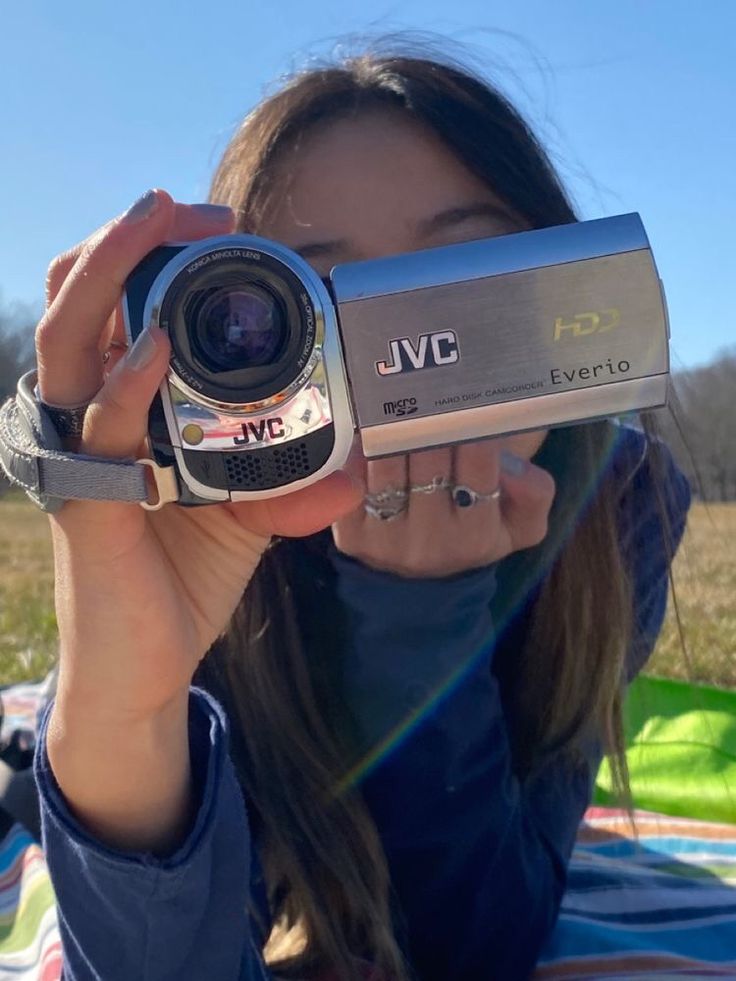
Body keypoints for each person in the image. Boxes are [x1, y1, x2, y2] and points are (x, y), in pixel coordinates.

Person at [29, 43, 690, 981]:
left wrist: (422, 617)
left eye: (463, 276)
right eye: (319, 300)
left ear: (562, 292)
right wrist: (119, 713)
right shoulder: (205, 515)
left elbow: (475, 946)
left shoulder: (624, 500)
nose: (404, 354)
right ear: (221, 335)